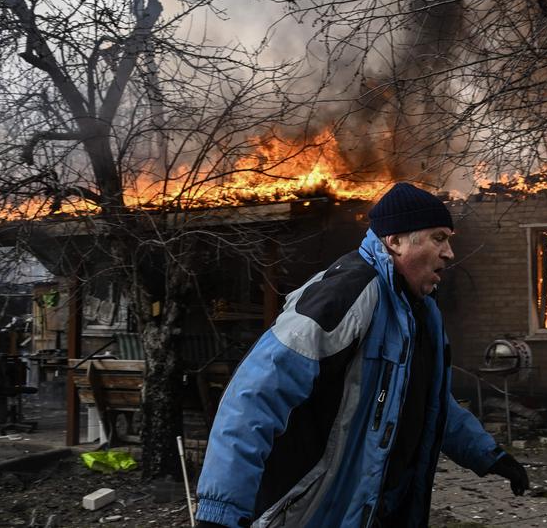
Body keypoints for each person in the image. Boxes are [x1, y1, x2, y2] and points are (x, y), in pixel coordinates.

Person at [195, 182, 529, 527]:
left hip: (384, 509)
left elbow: (430, 403)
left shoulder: (422, 313)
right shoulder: (347, 293)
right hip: (319, 512)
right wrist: (221, 509)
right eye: (439, 238)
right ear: (396, 240)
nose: (449, 253)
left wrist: (489, 456)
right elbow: (255, 395)